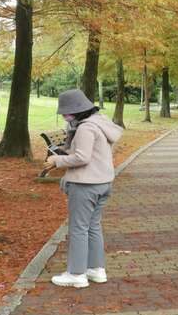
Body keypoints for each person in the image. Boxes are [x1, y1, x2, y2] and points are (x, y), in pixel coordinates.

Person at [42, 88, 123, 288]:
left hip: (86, 185)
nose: (64, 116)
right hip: (103, 182)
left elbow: (82, 157)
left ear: (75, 111)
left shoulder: (86, 128)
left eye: (66, 112)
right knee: (93, 226)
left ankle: (76, 274)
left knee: (78, 228)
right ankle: (96, 270)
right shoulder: (99, 123)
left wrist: (57, 159)